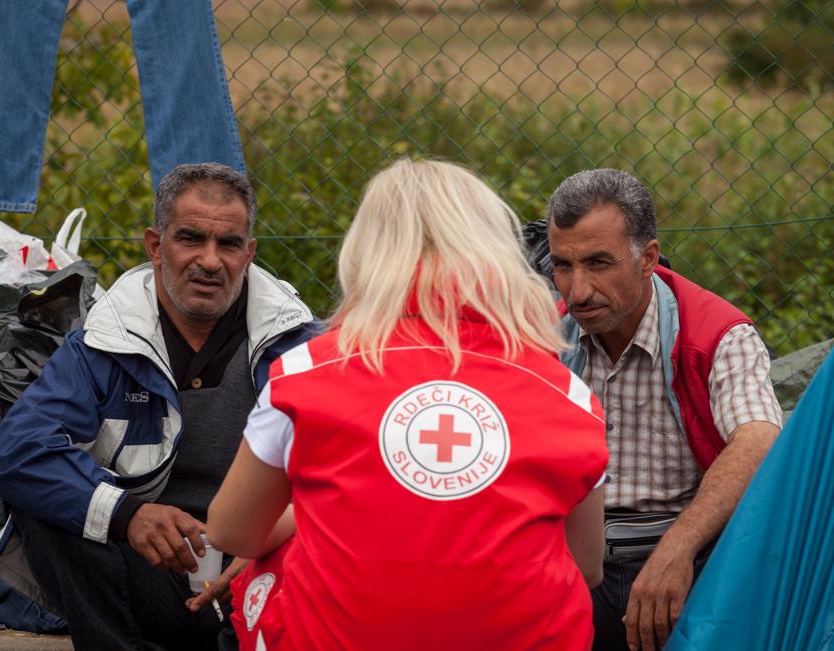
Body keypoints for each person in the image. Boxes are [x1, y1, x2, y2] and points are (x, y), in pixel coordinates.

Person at [207, 158, 610, 650]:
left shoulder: (305, 373)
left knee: (266, 570)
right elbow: (586, 566)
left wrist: (306, 511)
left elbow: (232, 532)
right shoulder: (566, 393)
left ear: (368, 252)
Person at [0, 162, 319, 651]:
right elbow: (18, 452)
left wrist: (272, 541)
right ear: (155, 246)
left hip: (261, 569)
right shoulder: (107, 340)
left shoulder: (296, 345)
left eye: (228, 244)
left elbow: (351, 471)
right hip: (151, 569)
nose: (210, 260)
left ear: (248, 254)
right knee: (47, 506)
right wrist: (127, 514)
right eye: (190, 239)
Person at [546, 169, 783, 651]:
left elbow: (759, 440)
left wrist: (679, 546)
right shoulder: (543, 338)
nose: (578, 291)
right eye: (563, 265)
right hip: (571, 556)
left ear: (648, 258)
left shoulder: (716, 334)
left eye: (598, 263)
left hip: (686, 555)